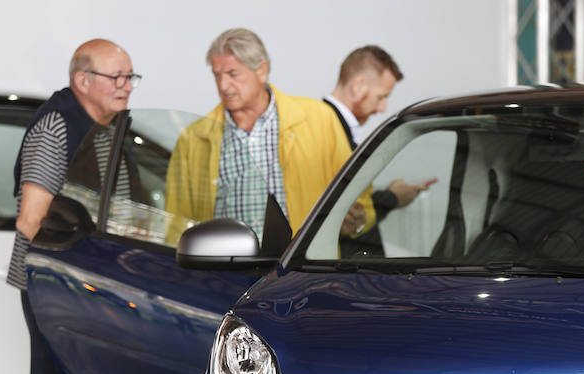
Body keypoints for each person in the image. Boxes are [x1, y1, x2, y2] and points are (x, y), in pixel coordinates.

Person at [7, 38, 141, 374]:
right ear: (83, 80)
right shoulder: (56, 128)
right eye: (118, 77)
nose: (128, 86)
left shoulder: (110, 132)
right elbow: (30, 219)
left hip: (92, 291)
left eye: (132, 77)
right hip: (54, 289)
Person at [165, 28, 374, 245]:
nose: (223, 85)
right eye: (217, 75)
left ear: (262, 70)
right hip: (224, 274)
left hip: (299, 271)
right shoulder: (194, 138)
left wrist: (358, 221)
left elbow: (357, 194)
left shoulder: (319, 119)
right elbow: (177, 223)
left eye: (233, 74)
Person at [325, 46, 430, 257]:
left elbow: (350, 202)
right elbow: (337, 211)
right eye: (381, 97)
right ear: (358, 86)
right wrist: (391, 198)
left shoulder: (338, 128)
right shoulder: (325, 129)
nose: (382, 108)